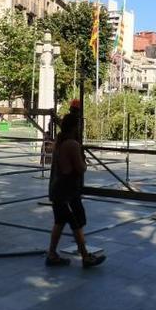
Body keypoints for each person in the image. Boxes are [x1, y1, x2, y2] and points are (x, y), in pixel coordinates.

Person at [45, 112, 105, 268]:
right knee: (76, 223)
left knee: (60, 222)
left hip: (58, 190)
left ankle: (52, 254)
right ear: (74, 127)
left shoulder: (60, 141)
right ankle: (85, 256)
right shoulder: (72, 144)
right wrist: (84, 163)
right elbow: (80, 167)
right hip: (67, 192)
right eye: (79, 125)